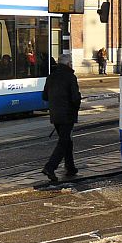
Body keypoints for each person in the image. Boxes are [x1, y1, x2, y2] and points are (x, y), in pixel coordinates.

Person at [41, 53, 82, 184]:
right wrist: (77, 104)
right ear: (69, 63)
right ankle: (50, 167)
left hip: (55, 115)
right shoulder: (71, 77)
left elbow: (45, 96)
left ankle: (70, 167)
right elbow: (75, 98)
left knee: (67, 140)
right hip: (67, 114)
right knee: (64, 142)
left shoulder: (51, 77)